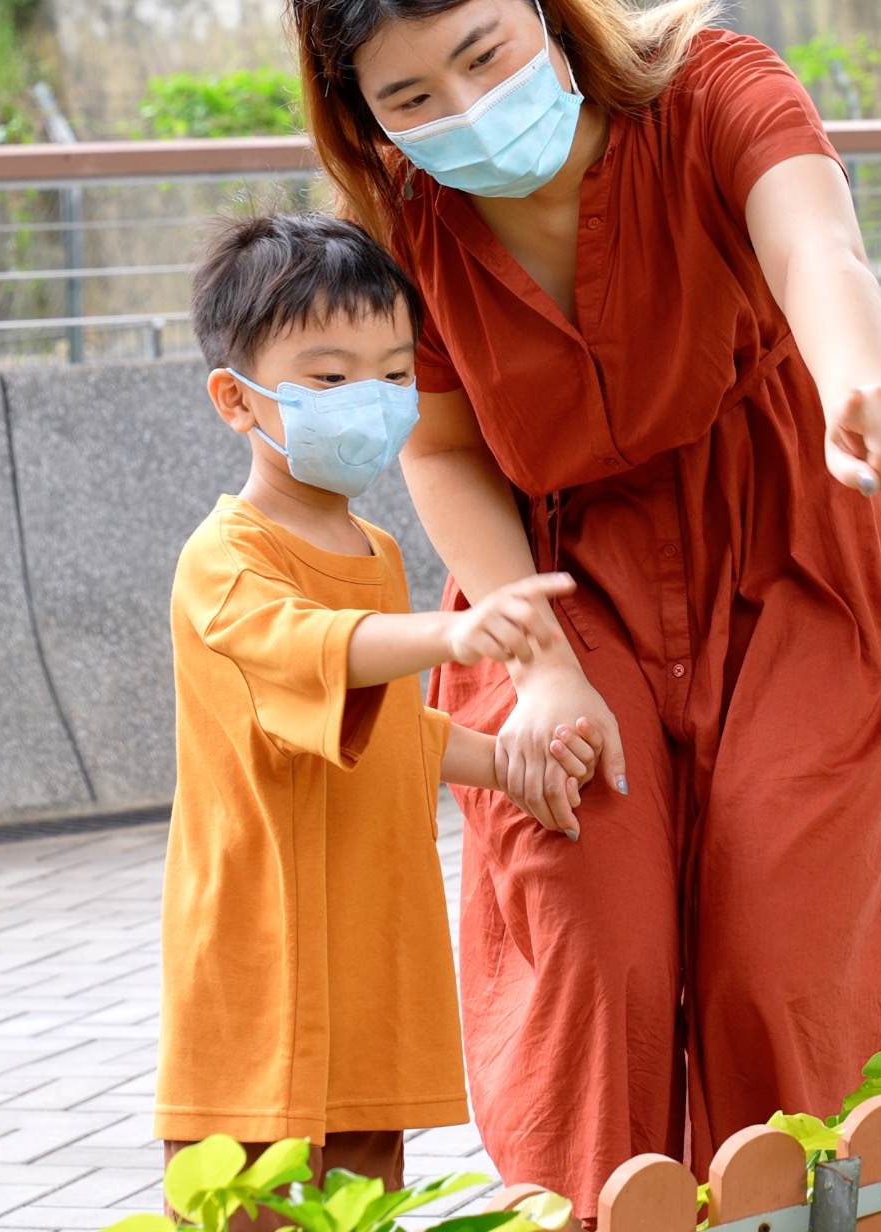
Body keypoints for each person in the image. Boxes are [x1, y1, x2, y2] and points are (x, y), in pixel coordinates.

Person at [289, 0, 881, 1216]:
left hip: (790, 554)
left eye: (483, 53)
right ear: (362, 117)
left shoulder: (708, 89)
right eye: (409, 99)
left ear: (543, 2)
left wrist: (855, 385)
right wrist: (536, 662)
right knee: (591, 951)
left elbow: (820, 245)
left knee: (786, 951)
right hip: (552, 586)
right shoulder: (405, 225)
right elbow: (442, 446)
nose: (463, 112)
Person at [153, 212, 601, 1218]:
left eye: (395, 375)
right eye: (328, 377)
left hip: (366, 980)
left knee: (365, 1203)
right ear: (238, 399)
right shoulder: (225, 561)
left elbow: (385, 729)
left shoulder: (377, 553)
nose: (373, 401)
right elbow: (321, 657)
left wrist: (506, 762)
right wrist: (453, 636)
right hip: (257, 985)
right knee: (249, 1206)